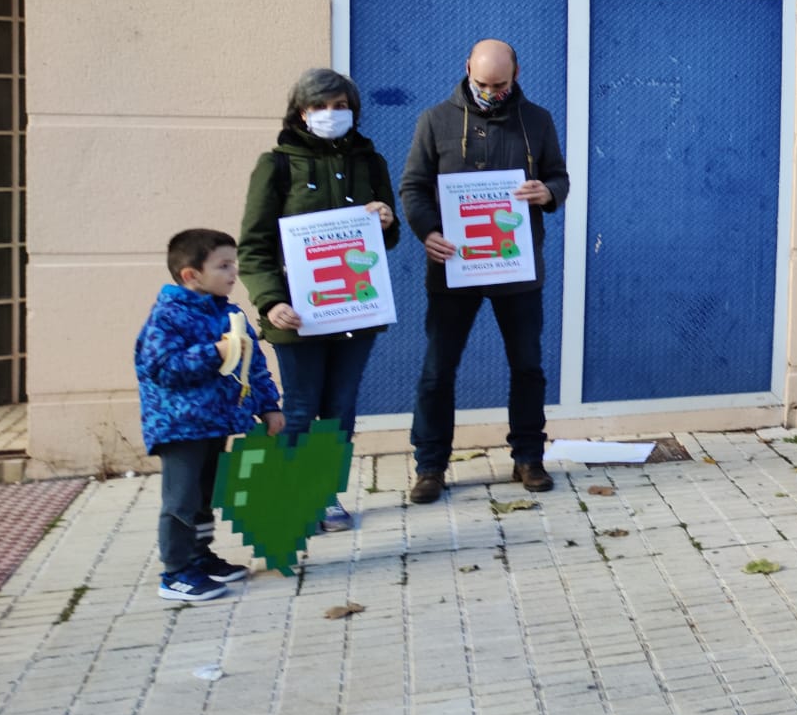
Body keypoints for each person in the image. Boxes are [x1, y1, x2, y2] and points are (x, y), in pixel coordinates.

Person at [399, 39, 569, 503]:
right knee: (438, 370)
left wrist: (547, 192)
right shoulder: (435, 120)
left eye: (501, 84)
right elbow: (413, 186)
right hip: (454, 269)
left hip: (517, 269)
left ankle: (528, 458)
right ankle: (430, 466)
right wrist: (427, 231)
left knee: (528, 367)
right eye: (482, 83)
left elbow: (560, 177)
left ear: (516, 76)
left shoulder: (538, 120)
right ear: (466, 71)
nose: (491, 92)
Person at [237, 68, 400, 532]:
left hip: (355, 308)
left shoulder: (371, 162)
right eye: (321, 107)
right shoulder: (277, 165)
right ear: (301, 113)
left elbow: (387, 240)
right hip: (297, 313)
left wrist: (386, 220)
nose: (332, 114)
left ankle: (326, 495)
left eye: (341, 106)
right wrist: (270, 302)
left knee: (341, 406)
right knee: (302, 407)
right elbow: (253, 245)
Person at [136, 228, 284, 602]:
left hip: (216, 422)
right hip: (180, 427)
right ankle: (175, 573)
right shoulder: (168, 316)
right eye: (223, 266)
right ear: (191, 275)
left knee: (205, 495)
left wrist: (268, 406)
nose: (233, 273)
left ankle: (201, 558)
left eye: (234, 264)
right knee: (181, 499)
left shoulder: (230, 313)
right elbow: (161, 367)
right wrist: (214, 352)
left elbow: (254, 364)